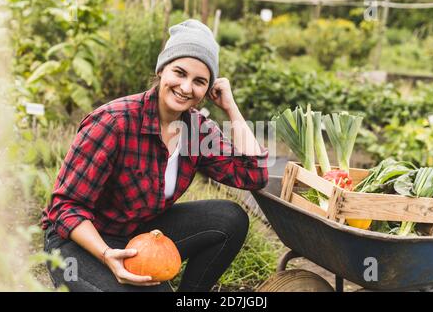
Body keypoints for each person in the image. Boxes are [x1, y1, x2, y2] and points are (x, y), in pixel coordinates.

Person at [41, 19, 269, 292]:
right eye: (180, 73)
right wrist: (106, 255)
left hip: (136, 234)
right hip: (78, 241)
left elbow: (253, 175)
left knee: (229, 218)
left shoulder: (196, 131)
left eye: (199, 81)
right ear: (162, 69)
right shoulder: (114, 121)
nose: (186, 88)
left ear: (208, 91)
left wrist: (231, 107)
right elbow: (65, 208)